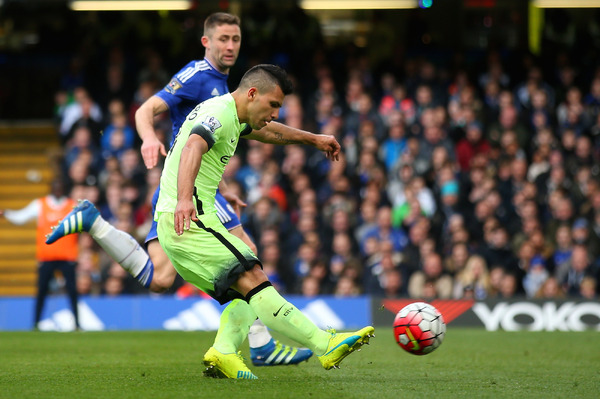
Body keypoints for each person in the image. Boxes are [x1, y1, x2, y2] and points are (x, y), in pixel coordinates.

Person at [46, 12, 311, 366]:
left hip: (201, 186)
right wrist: (148, 139)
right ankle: (261, 344)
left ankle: (94, 223)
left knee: (161, 279)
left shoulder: (229, 87)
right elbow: (146, 110)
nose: (230, 46)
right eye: (223, 39)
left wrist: (226, 186)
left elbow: (239, 135)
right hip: (186, 187)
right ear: (207, 42)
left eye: (235, 39)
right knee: (245, 249)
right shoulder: (197, 76)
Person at [155, 63, 374, 379]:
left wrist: (312, 138)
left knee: (244, 293)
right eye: (273, 105)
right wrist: (185, 199)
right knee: (253, 275)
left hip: (185, 224)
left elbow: (267, 131)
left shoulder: (236, 116)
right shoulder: (219, 114)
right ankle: (324, 344)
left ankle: (224, 352)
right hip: (192, 221)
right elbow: (193, 145)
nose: (274, 113)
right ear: (252, 93)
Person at [0, 179, 80, 330]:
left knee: (72, 291)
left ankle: (77, 323)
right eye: (55, 187)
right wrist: (7, 214)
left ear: (63, 188)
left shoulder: (72, 205)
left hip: (67, 256)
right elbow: (21, 217)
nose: (57, 190)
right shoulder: (40, 204)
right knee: (41, 291)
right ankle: (35, 323)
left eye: (60, 187)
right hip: (46, 257)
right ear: (50, 188)